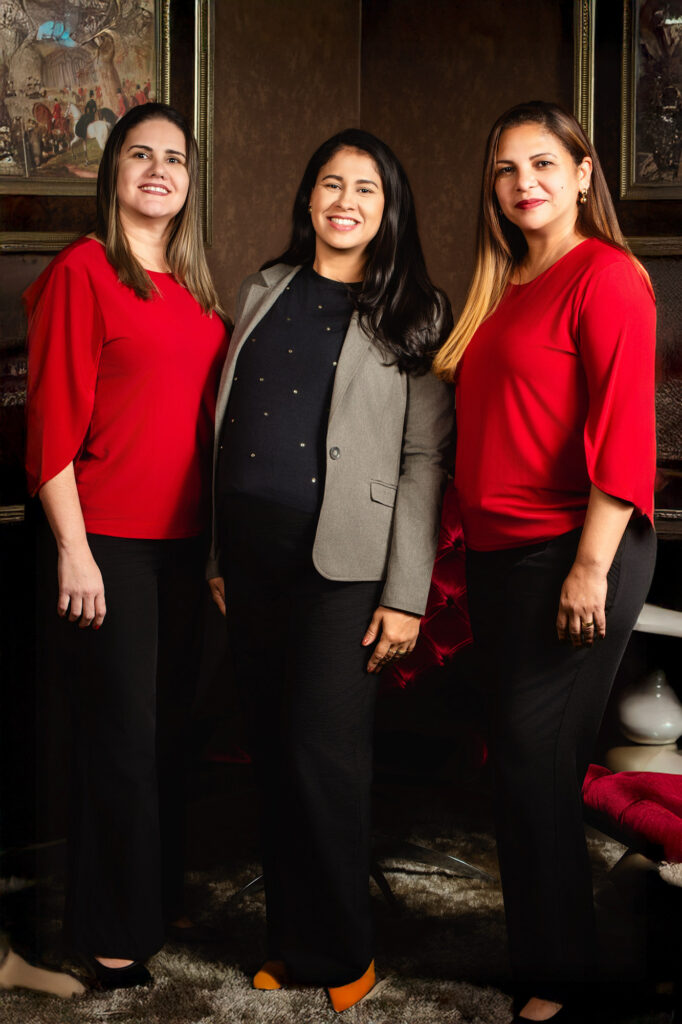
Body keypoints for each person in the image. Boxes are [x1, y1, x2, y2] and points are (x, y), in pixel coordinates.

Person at [208, 128, 454, 1012]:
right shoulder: (264, 289)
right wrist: (217, 554)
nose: (344, 200)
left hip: (345, 567)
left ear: (389, 211)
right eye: (329, 183)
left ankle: (346, 948)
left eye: (366, 189)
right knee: (271, 752)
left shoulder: (416, 311)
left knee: (325, 756)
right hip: (251, 555)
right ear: (308, 197)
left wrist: (405, 595)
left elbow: (425, 460)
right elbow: (225, 424)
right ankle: (293, 941)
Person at [433, 101, 657, 1023]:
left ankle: (561, 983)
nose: (524, 183)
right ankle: (550, 960)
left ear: (582, 173)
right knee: (526, 764)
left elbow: (623, 431)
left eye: (542, 164)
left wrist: (589, 568)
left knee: (533, 758)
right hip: (501, 557)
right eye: (505, 169)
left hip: (578, 549)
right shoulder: (506, 286)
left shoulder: (605, 277)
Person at [24, 102, 227, 990]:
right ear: (111, 174)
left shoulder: (194, 290)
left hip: (188, 548)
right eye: (139, 155)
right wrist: (74, 550)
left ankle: (151, 898)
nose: (157, 170)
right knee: (118, 743)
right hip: (106, 541)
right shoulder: (83, 271)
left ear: (189, 182)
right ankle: (107, 935)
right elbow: (50, 431)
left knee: (170, 736)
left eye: (174, 159)